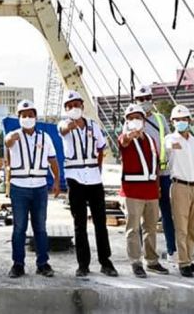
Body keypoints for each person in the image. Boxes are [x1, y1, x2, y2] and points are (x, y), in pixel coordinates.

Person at [59, 90, 118, 278]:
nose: (74, 108)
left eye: (77, 105)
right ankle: (83, 264)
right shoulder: (64, 125)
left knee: (100, 222)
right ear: (66, 109)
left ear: (82, 106)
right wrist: (71, 124)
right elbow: (63, 130)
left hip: (93, 178)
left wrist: (98, 168)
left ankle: (105, 262)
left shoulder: (93, 126)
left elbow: (101, 149)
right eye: (70, 106)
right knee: (80, 223)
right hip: (75, 178)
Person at [5, 99, 60, 278]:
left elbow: (53, 161)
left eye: (30, 115)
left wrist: (57, 181)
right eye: (23, 115)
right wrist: (9, 139)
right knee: (19, 227)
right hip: (19, 187)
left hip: (39, 187)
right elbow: (7, 142)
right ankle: (18, 264)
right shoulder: (14, 135)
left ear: (36, 117)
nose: (27, 118)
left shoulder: (45, 137)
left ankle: (42, 263)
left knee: (40, 228)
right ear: (19, 117)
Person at [119, 103, 169, 278]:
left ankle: (152, 260)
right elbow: (124, 142)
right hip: (132, 192)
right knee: (133, 229)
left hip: (150, 191)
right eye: (131, 118)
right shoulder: (124, 138)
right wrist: (129, 135)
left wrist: (157, 187)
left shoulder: (150, 139)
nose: (135, 121)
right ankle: (135, 262)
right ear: (126, 121)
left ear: (144, 120)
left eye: (138, 118)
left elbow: (154, 165)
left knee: (150, 228)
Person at [134, 85, 177, 262]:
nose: (145, 102)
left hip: (164, 173)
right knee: (140, 215)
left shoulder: (160, 119)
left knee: (167, 212)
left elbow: (168, 140)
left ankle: (172, 250)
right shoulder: (132, 122)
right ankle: (142, 252)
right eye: (141, 99)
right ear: (135, 101)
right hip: (144, 176)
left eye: (147, 98)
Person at [165, 104, 194, 277]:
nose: (181, 122)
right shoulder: (170, 140)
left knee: (192, 227)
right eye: (177, 120)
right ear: (172, 121)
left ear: (190, 120)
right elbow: (168, 152)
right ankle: (183, 263)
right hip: (180, 186)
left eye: (184, 119)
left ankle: (189, 258)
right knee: (181, 227)